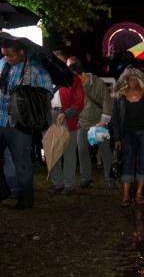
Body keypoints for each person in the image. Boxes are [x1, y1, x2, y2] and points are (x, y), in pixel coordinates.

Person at [0, 39, 54, 209]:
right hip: (0, 118)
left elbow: (47, 93)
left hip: (20, 122)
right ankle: (5, 189)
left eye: (11, 55)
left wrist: (25, 92)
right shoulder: (2, 64)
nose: (7, 58)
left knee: (21, 161)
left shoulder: (35, 69)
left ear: (22, 52)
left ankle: (25, 198)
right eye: (4, 55)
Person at [112, 68, 144, 207]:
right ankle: (126, 194)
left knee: (143, 161)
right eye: (129, 78)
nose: (132, 81)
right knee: (128, 161)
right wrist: (117, 138)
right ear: (125, 80)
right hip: (127, 133)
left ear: (140, 79)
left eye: (135, 78)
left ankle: (139, 193)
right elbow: (115, 118)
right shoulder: (119, 96)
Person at [69, 63, 114, 189]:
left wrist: (104, 120)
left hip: (98, 124)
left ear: (82, 74)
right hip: (82, 123)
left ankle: (109, 177)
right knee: (82, 151)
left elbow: (106, 101)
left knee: (105, 151)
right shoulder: (74, 85)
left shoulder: (98, 83)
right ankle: (86, 179)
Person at [48, 68, 85, 195]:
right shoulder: (45, 76)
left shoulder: (73, 79)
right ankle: (57, 183)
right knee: (52, 150)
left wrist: (67, 113)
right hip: (50, 114)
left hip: (67, 117)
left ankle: (68, 184)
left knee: (69, 151)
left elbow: (79, 101)